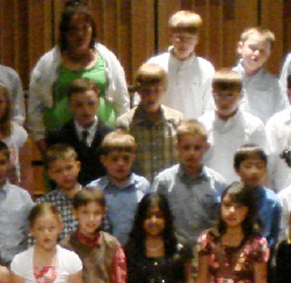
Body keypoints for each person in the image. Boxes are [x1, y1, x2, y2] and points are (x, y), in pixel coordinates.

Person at [27, 0, 130, 149]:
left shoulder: (108, 58)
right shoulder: (48, 63)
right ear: (65, 33)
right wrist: (45, 149)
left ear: (92, 29)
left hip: (104, 143)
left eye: (85, 28)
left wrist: (119, 140)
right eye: (73, 29)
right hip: (61, 146)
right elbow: (35, 108)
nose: (80, 34)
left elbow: (122, 102)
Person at [151, 120, 224, 248]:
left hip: (207, 252)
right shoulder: (164, 182)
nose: (192, 153)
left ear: (206, 147)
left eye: (197, 147)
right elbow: (154, 217)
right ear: (177, 146)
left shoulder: (217, 183)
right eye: (186, 147)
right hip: (172, 250)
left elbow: (222, 222)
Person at [200, 68, 271, 184]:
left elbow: (262, 167)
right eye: (219, 95)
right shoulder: (202, 124)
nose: (224, 101)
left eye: (230, 95)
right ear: (212, 94)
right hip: (209, 192)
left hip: (242, 193)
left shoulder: (254, 126)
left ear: (241, 95)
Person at [115, 64, 182, 183]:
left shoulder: (177, 120)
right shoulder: (126, 124)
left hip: (168, 190)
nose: (151, 96)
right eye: (146, 91)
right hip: (139, 191)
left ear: (165, 89)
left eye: (156, 90)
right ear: (138, 91)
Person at [144, 10, 214, 120]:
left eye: (189, 38)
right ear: (170, 37)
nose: (184, 43)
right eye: (179, 37)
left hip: (192, 131)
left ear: (197, 40)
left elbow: (210, 106)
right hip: (161, 130)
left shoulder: (206, 68)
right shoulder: (155, 64)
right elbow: (142, 99)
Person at [46, 78, 112, 186]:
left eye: (90, 103)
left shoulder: (110, 136)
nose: (86, 110)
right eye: (79, 105)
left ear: (98, 102)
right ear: (70, 105)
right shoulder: (57, 137)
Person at [88, 131, 150, 245]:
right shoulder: (94, 189)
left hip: (137, 248)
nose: (121, 164)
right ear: (104, 160)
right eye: (114, 159)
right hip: (104, 250)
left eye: (126, 158)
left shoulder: (143, 186)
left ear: (133, 158)